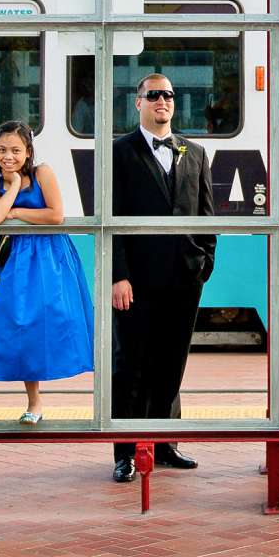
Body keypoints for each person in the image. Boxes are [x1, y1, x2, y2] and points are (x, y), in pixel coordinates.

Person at [109, 72, 216, 482]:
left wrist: (205, 261)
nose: (162, 101)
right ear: (138, 102)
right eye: (153, 95)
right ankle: (126, 452)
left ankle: (165, 442)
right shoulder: (119, 151)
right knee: (131, 364)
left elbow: (206, 214)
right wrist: (119, 275)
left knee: (172, 363)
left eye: (168, 95)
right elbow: (112, 219)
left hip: (184, 277)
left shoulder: (195, 151)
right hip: (135, 279)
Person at [0, 120, 95, 423]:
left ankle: (95, 396)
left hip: (50, 256)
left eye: (16, 150)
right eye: (2, 149)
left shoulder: (43, 172)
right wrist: (14, 185)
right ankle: (34, 401)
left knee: (55, 319)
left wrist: (16, 211)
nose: (8, 156)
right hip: (16, 259)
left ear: (28, 152)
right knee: (20, 324)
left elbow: (56, 215)